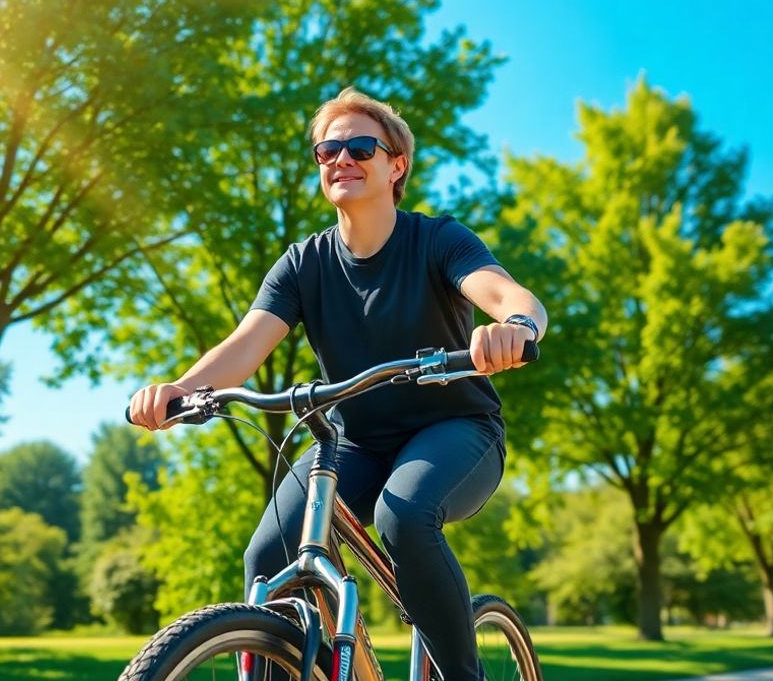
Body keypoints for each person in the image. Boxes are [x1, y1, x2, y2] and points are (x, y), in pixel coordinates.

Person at [129, 87, 547, 681]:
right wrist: (178, 388)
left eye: (359, 146)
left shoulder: (437, 240)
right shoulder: (304, 263)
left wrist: (515, 326)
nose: (340, 158)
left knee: (401, 517)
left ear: (395, 164)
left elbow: (507, 293)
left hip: (454, 428)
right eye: (328, 150)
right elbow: (246, 345)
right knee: (268, 556)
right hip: (351, 442)